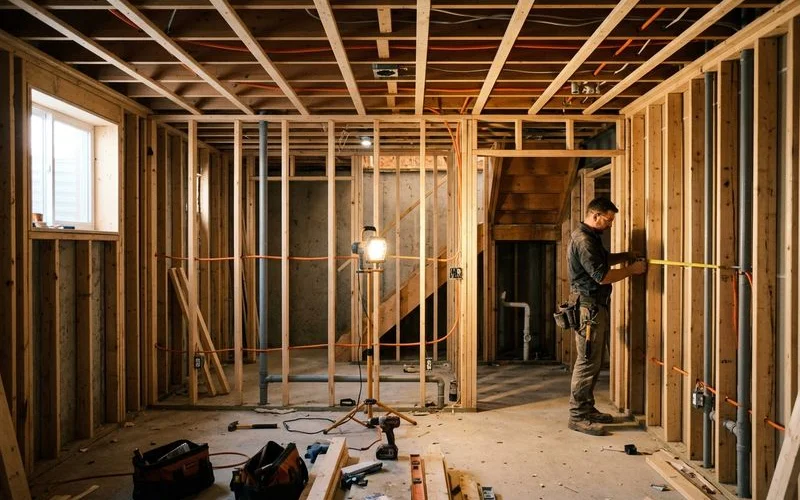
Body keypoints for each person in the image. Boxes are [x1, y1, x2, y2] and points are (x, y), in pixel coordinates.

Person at [567, 197, 647, 436]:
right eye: (608, 220)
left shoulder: (591, 237)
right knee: (587, 361)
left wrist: (625, 256)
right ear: (595, 215)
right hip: (588, 309)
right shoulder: (583, 240)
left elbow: (602, 261)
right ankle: (578, 416)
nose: (611, 224)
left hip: (594, 307)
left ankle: (587, 409)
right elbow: (601, 276)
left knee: (595, 360)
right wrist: (632, 270)